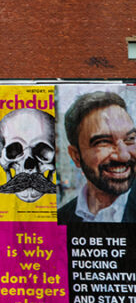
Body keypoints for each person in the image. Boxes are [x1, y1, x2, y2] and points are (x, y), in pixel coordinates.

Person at [59, 91, 136, 223]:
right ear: (76, 156)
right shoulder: (61, 219)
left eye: (130, 139)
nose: (124, 155)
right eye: (104, 142)